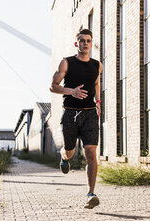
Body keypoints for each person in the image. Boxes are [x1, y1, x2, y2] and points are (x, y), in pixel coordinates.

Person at [50, 29, 102, 209]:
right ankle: (64, 157)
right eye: (82, 40)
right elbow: (53, 86)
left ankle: (91, 194)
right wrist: (70, 91)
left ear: (91, 43)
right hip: (70, 113)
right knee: (70, 151)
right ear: (77, 43)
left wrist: (98, 101)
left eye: (88, 41)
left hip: (89, 114)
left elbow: (96, 83)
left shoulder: (97, 65)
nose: (85, 43)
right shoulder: (67, 63)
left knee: (91, 152)